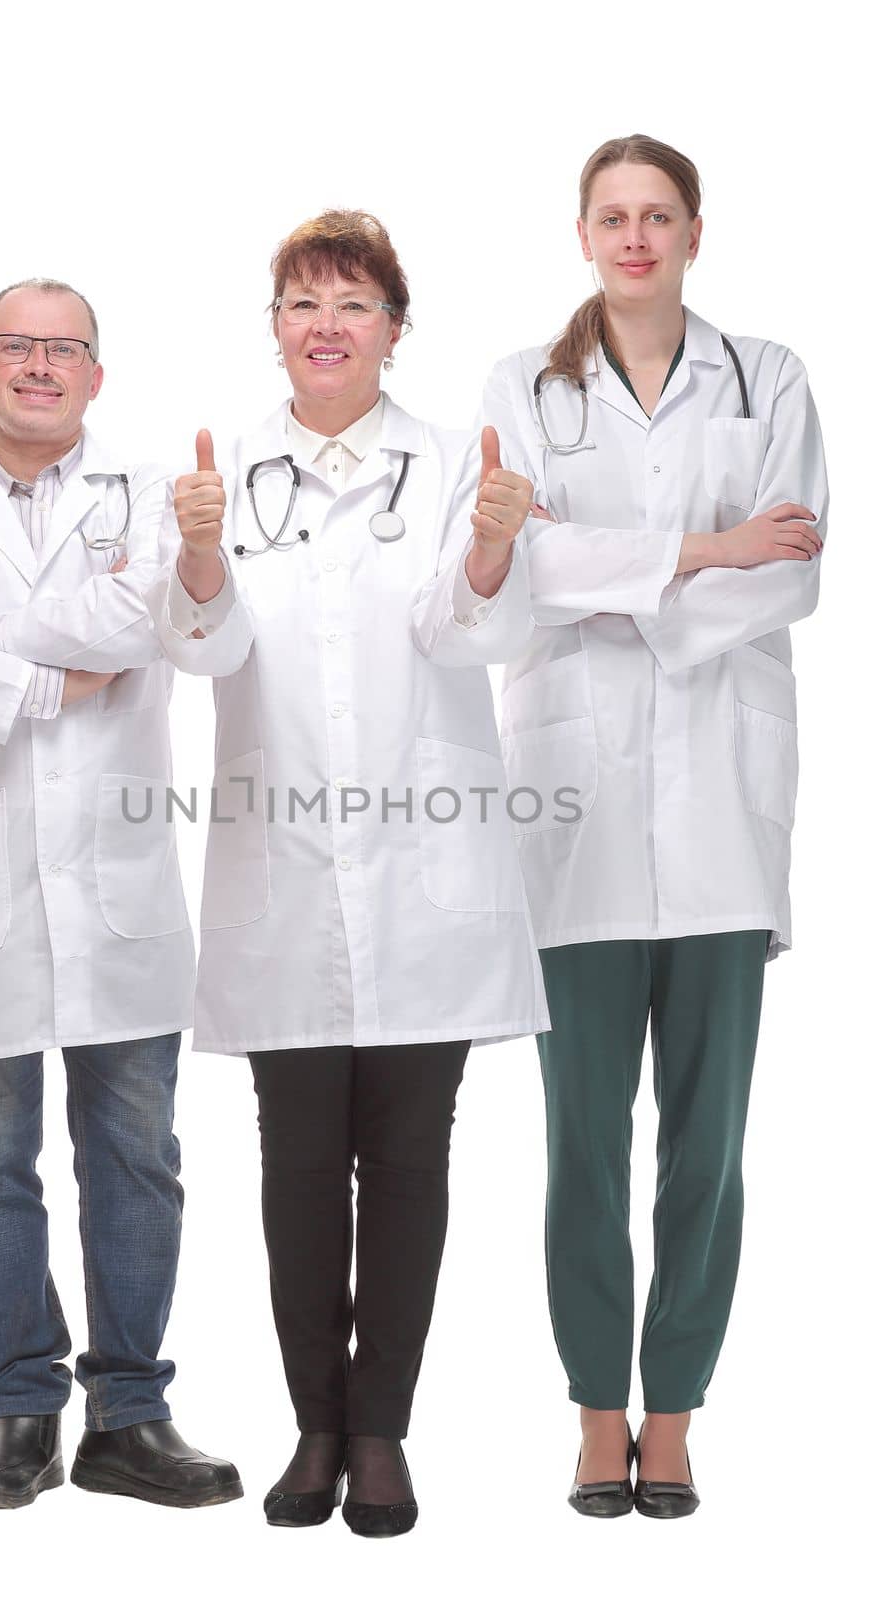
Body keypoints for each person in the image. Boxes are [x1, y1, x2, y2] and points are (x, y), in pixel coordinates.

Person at [146, 211, 548, 1537]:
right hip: (282, 875)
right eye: (302, 302)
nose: (325, 323)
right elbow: (202, 654)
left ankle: (381, 1433)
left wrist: (490, 538)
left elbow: (461, 626)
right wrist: (199, 553)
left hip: (423, 868)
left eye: (353, 303)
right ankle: (313, 1423)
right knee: (299, 1167)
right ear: (273, 327)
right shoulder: (224, 474)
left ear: (392, 328)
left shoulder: (449, 465)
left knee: (411, 1163)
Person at [479, 135, 827, 1518]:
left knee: (709, 1141)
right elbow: (518, 568)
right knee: (580, 1145)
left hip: (721, 819)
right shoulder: (521, 387)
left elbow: (790, 570)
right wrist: (693, 553)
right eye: (611, 217)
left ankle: (670, 1409)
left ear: (693, 231)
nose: (634, 238)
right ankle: (589, 1407)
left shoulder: (770, 377)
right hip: (571, 821)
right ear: (580, 234)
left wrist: (612, 588)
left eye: (656, 216)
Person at [0, 277, 240, 1511]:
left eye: (62, 348)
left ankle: (130, 1415)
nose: (38, 364)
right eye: (15, 346)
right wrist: (38, 676)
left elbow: (159, 623)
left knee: (138, 1156)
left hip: (118, 885)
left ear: (95, 376)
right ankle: (17, 1412)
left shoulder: (151, 503)